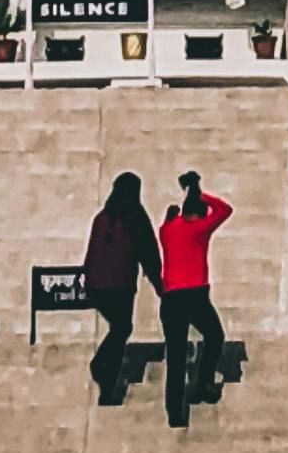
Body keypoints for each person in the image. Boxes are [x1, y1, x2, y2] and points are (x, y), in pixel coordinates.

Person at [156, 168, 232, 426]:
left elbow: (166, 224)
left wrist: (183, 202)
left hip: (171, 299)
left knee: (175, 358)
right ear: (199, 214)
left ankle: (176, 415)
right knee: (215, 336)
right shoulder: (200, 229)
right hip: (196, 297)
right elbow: (225, 210)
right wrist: (201, 192)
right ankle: (202, 385)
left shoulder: (167, 230)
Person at [79, 170, 160, 407]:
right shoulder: (134, 216)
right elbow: (147, 250)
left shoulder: (102, 217)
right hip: (120, 284)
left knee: (119, 329)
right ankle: (105, 381)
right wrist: (158, 283)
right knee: (122, 328)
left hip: (97, 285)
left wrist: (88, 280)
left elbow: (91, 252)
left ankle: (104, 373)